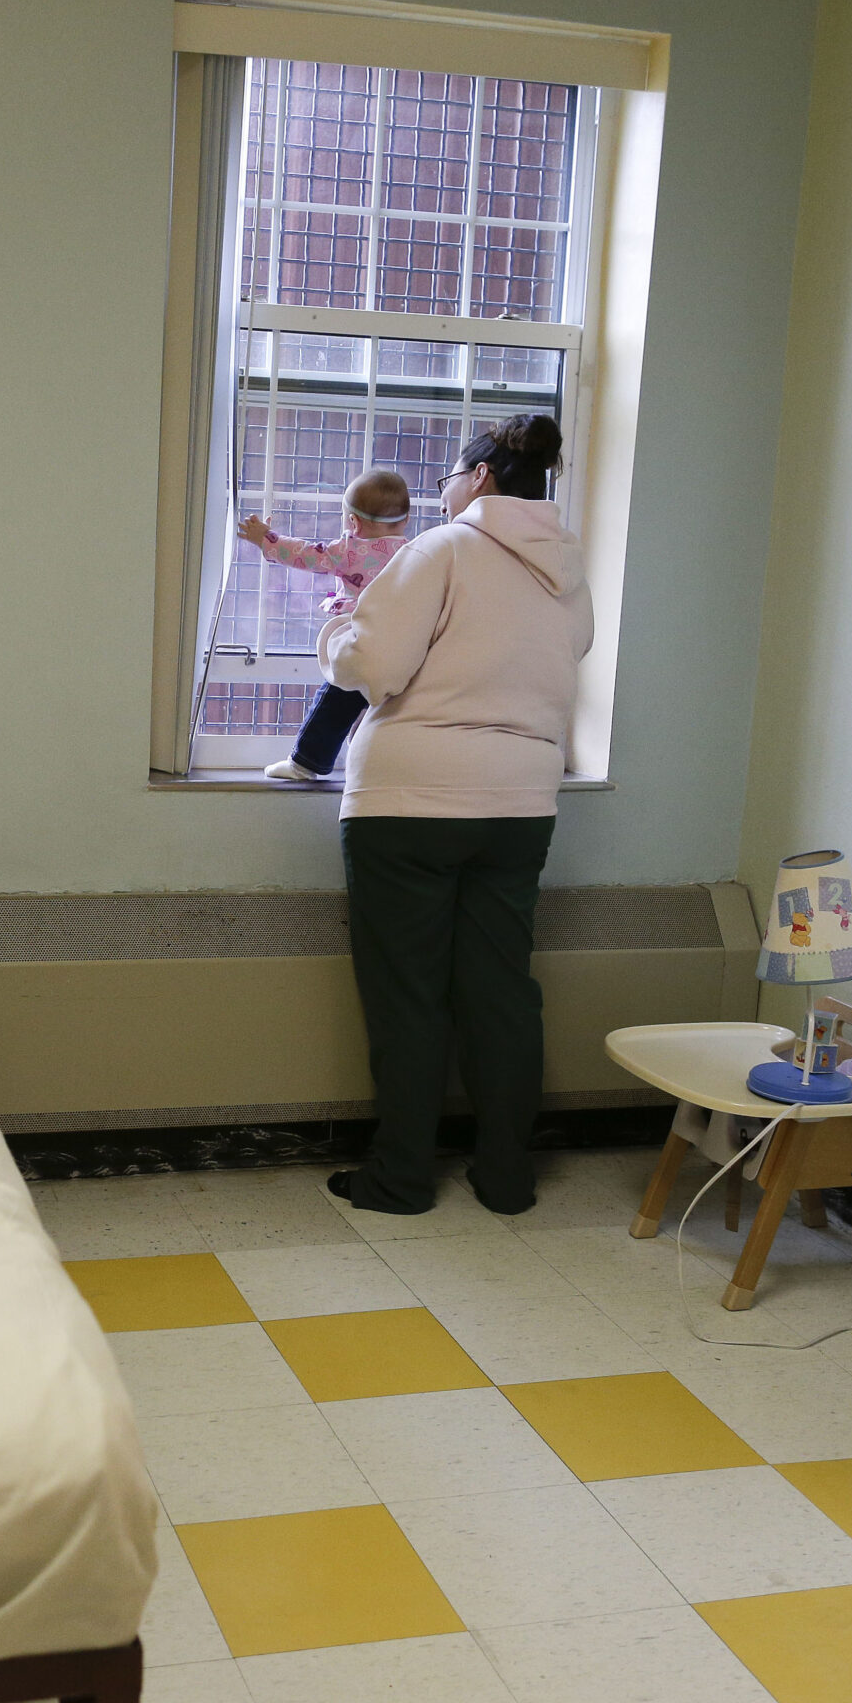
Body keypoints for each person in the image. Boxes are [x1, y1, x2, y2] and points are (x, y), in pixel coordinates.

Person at [315, 415, 594, 1216]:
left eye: (447, 479)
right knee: (502, 994)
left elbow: (371, 666)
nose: (439, 493)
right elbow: (560, 658)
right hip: (521, 803)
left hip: (410, 804)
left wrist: (337, 625)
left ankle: (401, 1178)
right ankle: (506, 1177)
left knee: (410, 996)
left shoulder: (440, 550)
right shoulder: (568, 575)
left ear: (478, 479)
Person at [236, 466, 411, 781]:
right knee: (383, 712)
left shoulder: (351, 550)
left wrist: (266, 539)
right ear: (405, 520)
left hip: (364, 644)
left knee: (334, 699)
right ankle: (378, 767)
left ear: (352, 522)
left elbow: (305, 554)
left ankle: (306, 762)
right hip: (404, 648)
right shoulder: (414, 551)